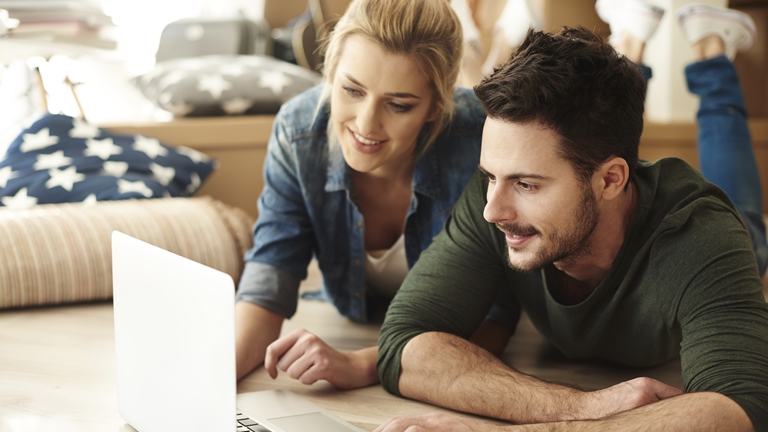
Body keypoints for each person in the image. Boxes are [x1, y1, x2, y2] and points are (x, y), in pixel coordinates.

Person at [375, 2, 768, 431]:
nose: (493, 210)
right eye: (491, 177)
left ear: (611, 179)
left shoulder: (700, 235)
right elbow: (402, 343)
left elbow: (741, 408)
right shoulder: (495, 195)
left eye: (527, 185)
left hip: (738, 238)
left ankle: (711, 48)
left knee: (747, 219)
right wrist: (581, 407)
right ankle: (632, 38)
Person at [234, 0, 513, 389]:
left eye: (399, 105)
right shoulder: (299, 133)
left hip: (448, 351)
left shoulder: (480, 141)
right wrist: (214, 373)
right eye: (351, 89)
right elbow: (269, 280)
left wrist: (364, 364)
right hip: (357, 317)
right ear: (331, 73)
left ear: (436, 104)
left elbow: (494, 318)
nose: (366, 124)